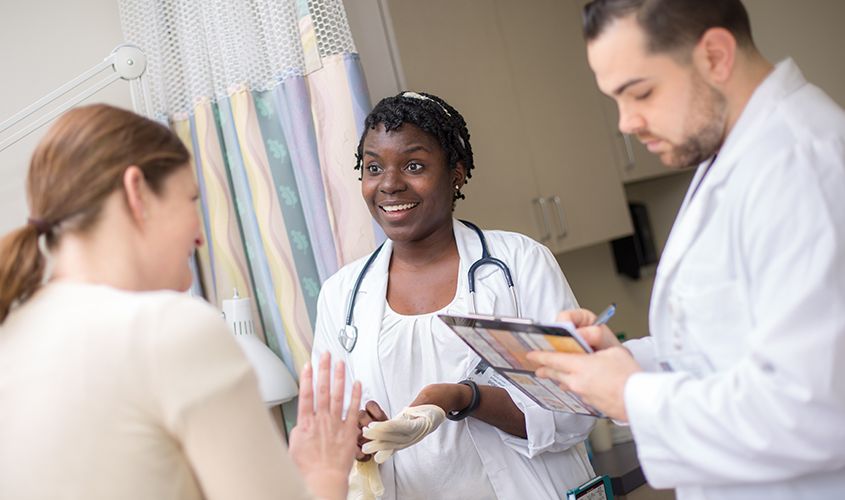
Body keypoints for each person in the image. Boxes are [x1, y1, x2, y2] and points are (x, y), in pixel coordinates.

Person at [527, 1, 845, 498]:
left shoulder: (802, 165)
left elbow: (814, 408)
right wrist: (623, 361)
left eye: (640, 93)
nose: (626, 122)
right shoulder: (736, 156)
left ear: (715, 56)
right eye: (615, 99)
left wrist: (631, 395)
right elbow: (726, 350)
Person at [0, 104, 362, 500]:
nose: (200, 237)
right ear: (137, 192)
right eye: (191, 200)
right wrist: (325, 472)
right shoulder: (165, 327)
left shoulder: (12, 335)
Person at [311, 91, 595, 500]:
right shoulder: (341, 295)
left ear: (456, 174)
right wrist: (353, 435)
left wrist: (465, 398)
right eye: (373, 167)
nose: (389, 184)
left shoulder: (520, 263)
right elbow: (329, 432)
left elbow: (575, 410)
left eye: (413, 165)